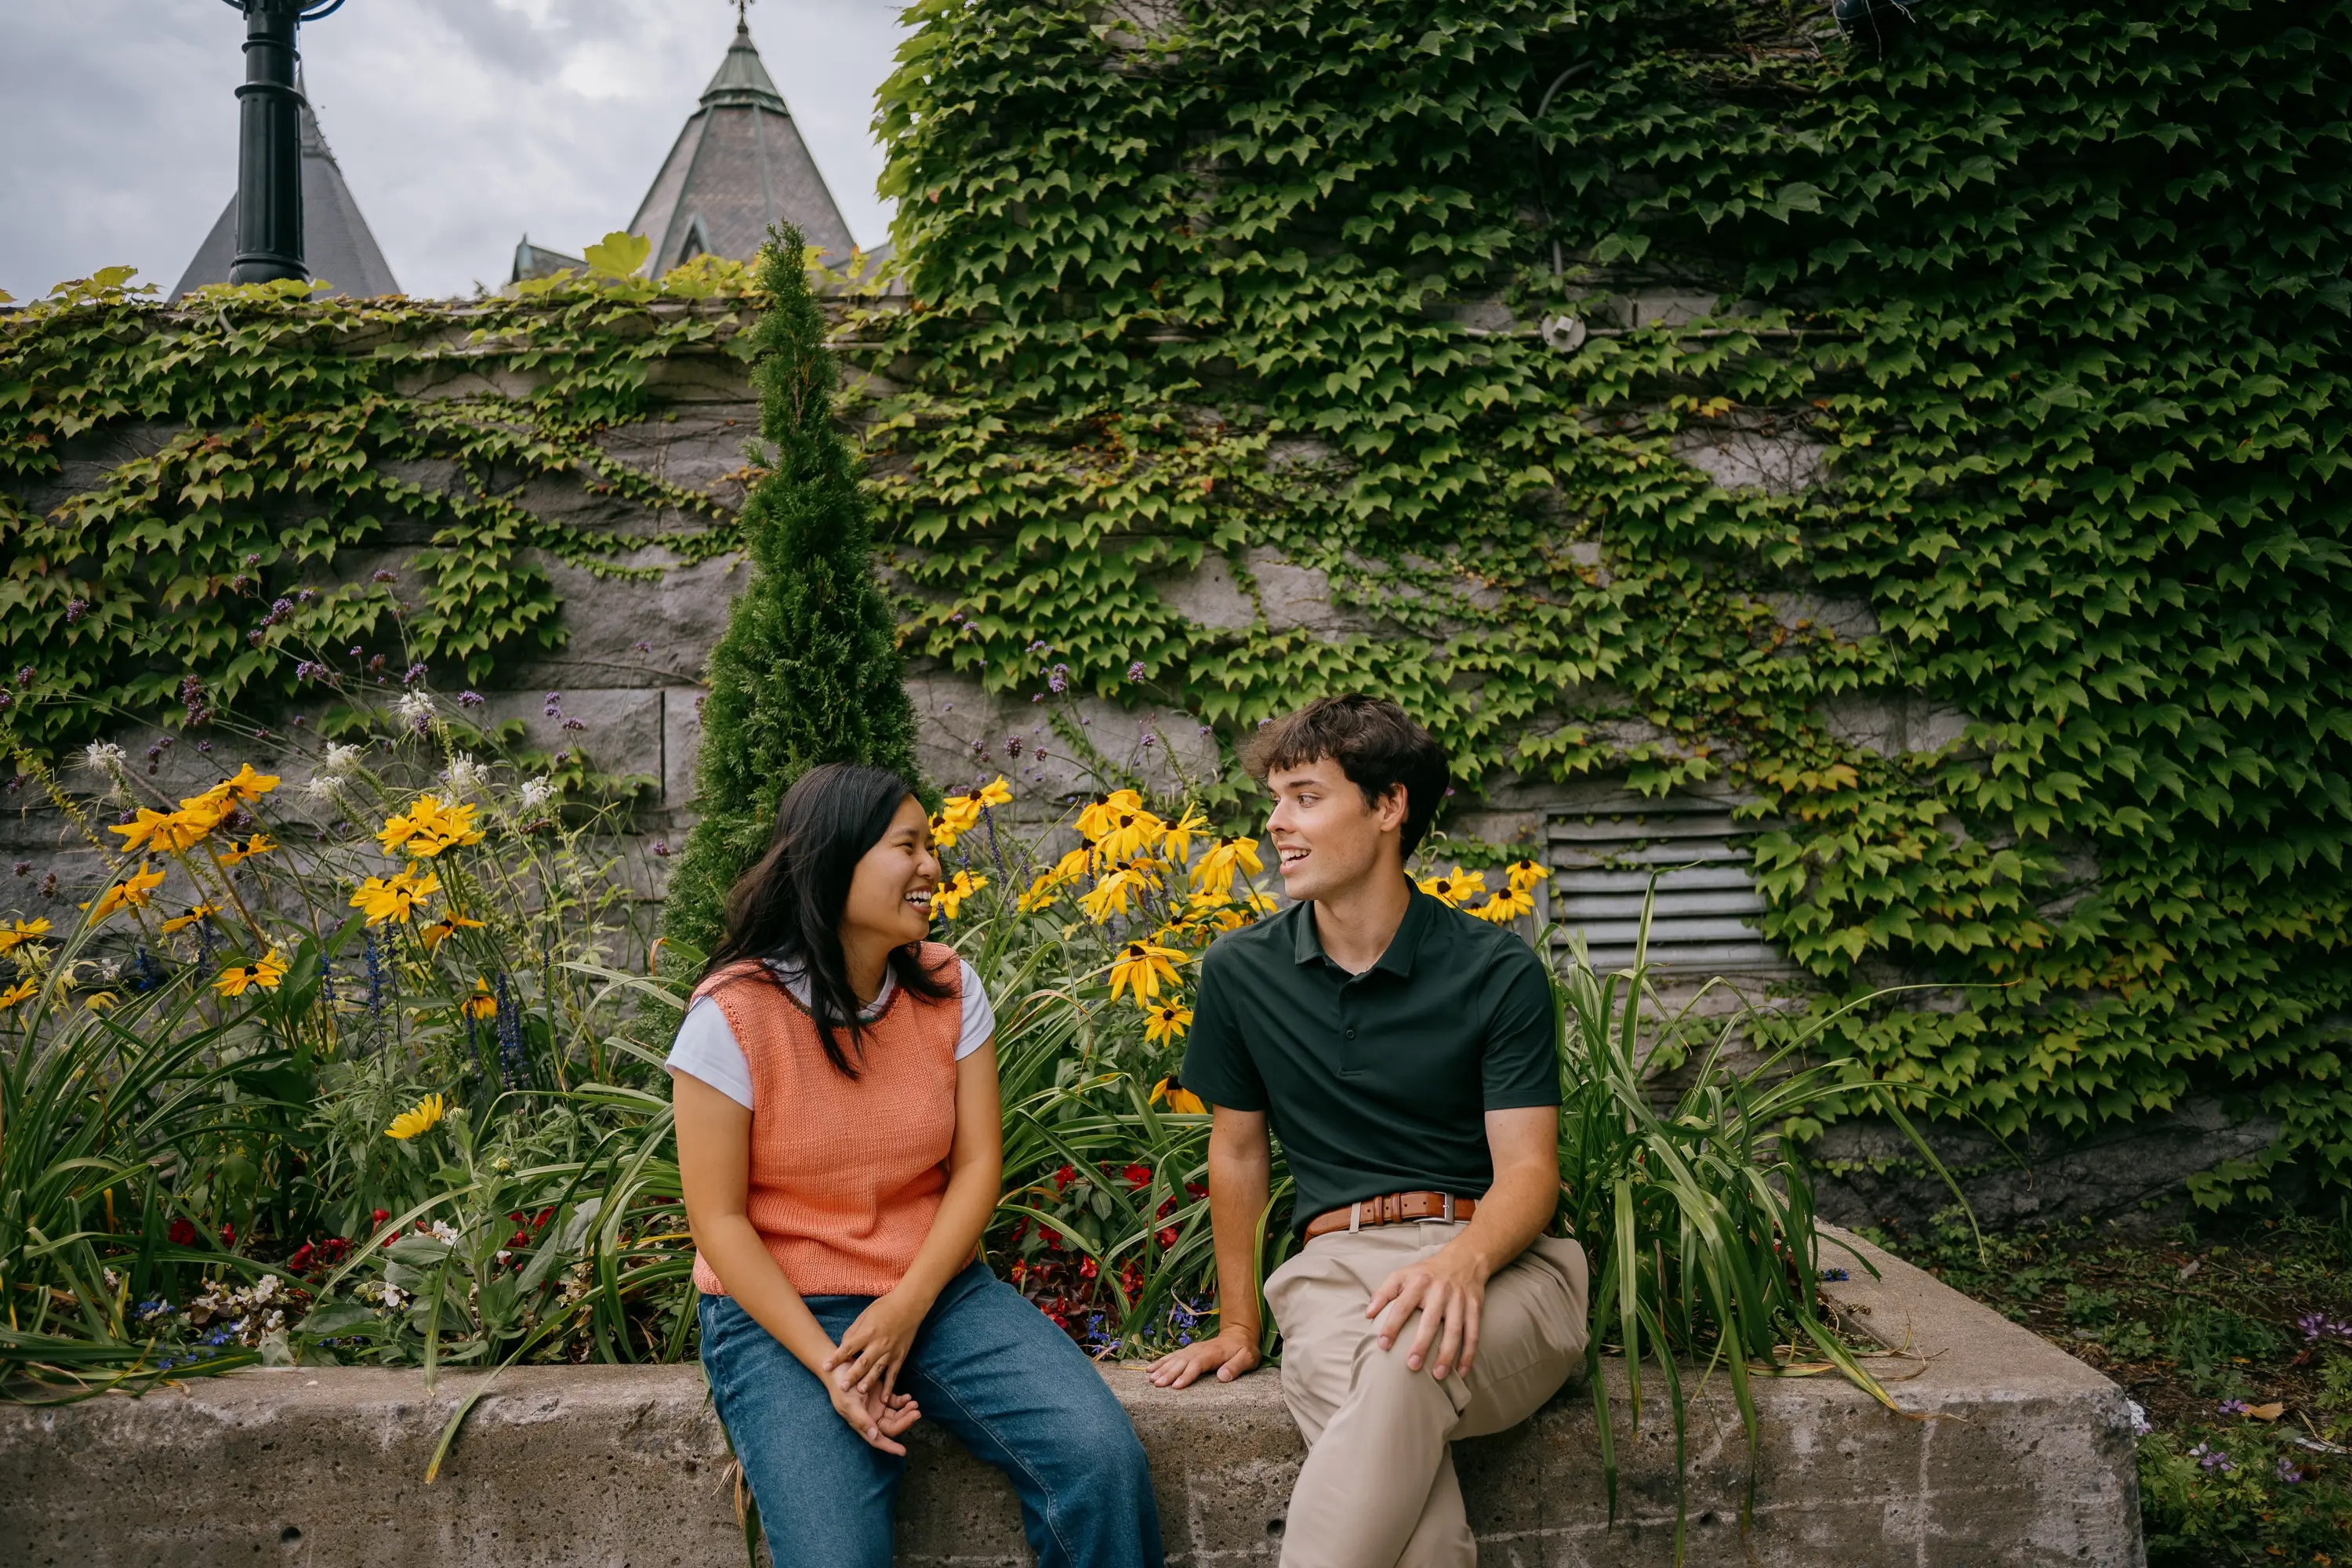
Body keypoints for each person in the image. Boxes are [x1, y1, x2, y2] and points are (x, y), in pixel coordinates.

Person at [669, 761, 1163, 1568]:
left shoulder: (948, 986)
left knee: (1098, 1456)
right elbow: (718, 1221)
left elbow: (976, 1167)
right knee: (836, 1554)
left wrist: (907, 1303)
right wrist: (832, 1363)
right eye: (909, 846)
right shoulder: (732, 1014)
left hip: (938, 1291)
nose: (933, 866)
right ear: (835, 859)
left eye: (930, 845)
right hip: (783, 1314)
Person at [1146, 697, 1588, 1568]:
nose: (1277, 823)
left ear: (1389, 807)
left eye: (1306, 796)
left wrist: (1460, 1261)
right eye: (1275, 799)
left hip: (1501, 1272)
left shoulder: (1495, 969)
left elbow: (1531, 1171)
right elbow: (1236, 1150)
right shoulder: (1243, 971)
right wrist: (1240, 1325)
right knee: (1421, 1536)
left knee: (1407, 1360)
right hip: (1334, 1280)